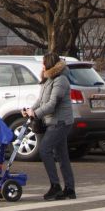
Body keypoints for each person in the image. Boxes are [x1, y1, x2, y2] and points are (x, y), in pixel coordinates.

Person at [22, 51, 76, 201]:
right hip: (53, 122)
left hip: (61, 122)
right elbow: (41, 100)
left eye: (43, 62)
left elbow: (52, 104)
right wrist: (30, 110)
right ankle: (70, 189)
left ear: (50, 64)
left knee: (45, 150)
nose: (42, 65)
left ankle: (56, 186)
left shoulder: (61, 80)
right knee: (62, 155)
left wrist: (36, 113)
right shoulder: (48, 79)